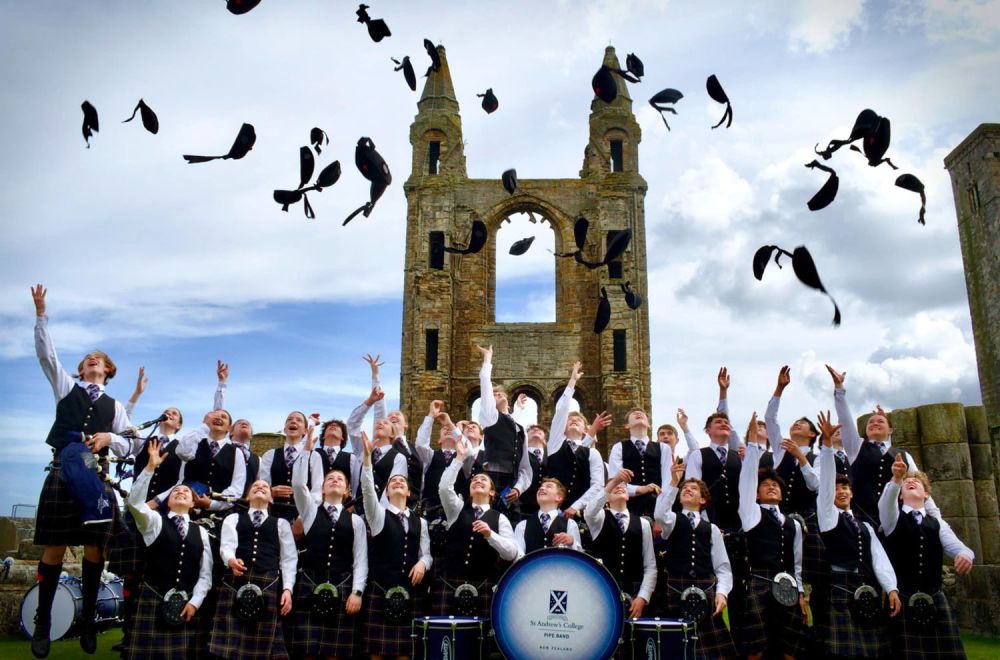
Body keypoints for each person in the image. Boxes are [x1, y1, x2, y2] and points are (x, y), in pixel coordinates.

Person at [29, 284, 134, 657]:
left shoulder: (116, 407)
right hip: (63, 473)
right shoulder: (65, 387)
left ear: (107, 370)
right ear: (79, 369)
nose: (91, 361)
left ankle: (89, 618)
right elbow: (46, 355)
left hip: (96, 480)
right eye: (86, 359)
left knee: (94, 550)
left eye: (97, 359)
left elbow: (131, 444)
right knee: (55, 547)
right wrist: (42, 314)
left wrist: (110, 438)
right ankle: (43, 621)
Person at [815, 411, 901, 659]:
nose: (841, 492)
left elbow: (878, 557)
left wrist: (891, 587)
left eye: (845, 488)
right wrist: (827, 445)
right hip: (840, 587)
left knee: (874, 651)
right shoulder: (828, 516)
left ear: (852, 493)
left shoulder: (866, 526)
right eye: (837, 489)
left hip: (868, 587)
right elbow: (827, 479)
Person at [124, 439, 213, 660]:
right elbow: (135, 505)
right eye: (176, 491)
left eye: (186, 491)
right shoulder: (153, 522)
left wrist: (195, 602)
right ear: (168, 502)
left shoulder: (202, 532)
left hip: (186, 605)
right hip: (152, 600)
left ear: (193, 504)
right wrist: (149, 468)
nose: (181, 492)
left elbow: (206, 575)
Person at [879, 454, 974, 659]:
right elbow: (885, 504)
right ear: (901, 495)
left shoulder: (937, 523)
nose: (911, 481)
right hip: (901, 600)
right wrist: (896, 479)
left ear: (926, 494)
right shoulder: (892, 519)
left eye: (917, 482)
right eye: (907, 482)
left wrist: (965, 555)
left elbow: (959, 547)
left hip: (934, 598)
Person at [290, 431, 367, 660]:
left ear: (346, 491)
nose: (334, 480)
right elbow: (298, 485)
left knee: (336, 654)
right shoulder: (311, 512)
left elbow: (360, 560)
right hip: (310, 584)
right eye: (329, 479)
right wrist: (306, 452)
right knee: (308, 652)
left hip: (342, 587)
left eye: (340, 480)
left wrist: (357, 592)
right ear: (322, 489)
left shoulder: (356, 521)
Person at [737, 413, 809, 660]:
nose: (771, 487)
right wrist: (754, 445)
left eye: (775, 485)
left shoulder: (793, 524)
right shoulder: (752, 513)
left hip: (788, 584)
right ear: (756, 494)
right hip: (759, 581)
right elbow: (746, 482)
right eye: (765, 485)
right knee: (755, 648)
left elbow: (797, 564)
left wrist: (800, 593)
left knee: (790, 647)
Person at [653, 457, 738, 659]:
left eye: (693, 488)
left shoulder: (713, 530)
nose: (687, 489)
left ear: (703, 500)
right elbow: (659, 514)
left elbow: (723, 567)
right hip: (676, 589)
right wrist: (674, 483)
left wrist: (723, 593)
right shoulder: (672, 520)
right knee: (677, 650)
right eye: (684, 488)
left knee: (709, 654)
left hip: (706, 592)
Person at [360, 431, 432, 660]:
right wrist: (367, 461)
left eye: (402, 481)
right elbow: (367, 491)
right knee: (377, 653)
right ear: (387, 492)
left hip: (410, 591)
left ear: (409, 492)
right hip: (381, 589)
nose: (397, 482)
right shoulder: (378, 515)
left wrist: (422, 563)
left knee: (404, 652)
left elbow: (427, 554)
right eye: (392, 483)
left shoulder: (420, 522)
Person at [835, 375, 943, 526]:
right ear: (865, 430)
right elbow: (845, 419)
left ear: (890, 430)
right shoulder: (856, 447)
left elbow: (920, 486)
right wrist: (839, 389)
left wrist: (938, 521)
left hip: (897, 521)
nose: (874, 423)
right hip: (862, 518)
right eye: (870, 422)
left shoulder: (904, 455)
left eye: (881, 421)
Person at [210, 479, 296, 659]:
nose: (260, 487)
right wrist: (231, 560)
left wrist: (288, 589)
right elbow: (226, 546)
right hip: (236, 582)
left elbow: (289, 559)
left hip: (267, 584)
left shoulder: (281, 524)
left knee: (263, 647)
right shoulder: (233, 518)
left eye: (265, 487)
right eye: (255, 486)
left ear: (271, 499)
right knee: (228, 646)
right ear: (247, 496)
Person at [435, 440, 518, 618]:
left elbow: (511, 553)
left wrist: (490, 535)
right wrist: (459, 458)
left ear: (492, 492)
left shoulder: (500, 518)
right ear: (470, 491)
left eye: (483, 480)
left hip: (483, 585)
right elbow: (444, 488)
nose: (478, 480)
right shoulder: (456, 510)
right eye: (474, 479)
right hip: (450, 583)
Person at [584, 469, 656, 620]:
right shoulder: (599, 518)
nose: (619, 486)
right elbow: (589, 511)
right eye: (615, 485)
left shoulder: (643, 524)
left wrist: (643, 597)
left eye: (623, 484)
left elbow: (650, 566)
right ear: (606, 498)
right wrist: (613, 481)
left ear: (629, 496)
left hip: (634, 594)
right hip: (603, 590)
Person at [475, 344, 532, 515]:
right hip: (492, 479)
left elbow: (525, 467)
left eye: (500, 393)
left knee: (510, 530)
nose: (495, 394)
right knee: (485, 524)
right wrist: (487, 359)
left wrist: (518, 488)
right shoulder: (490, 418)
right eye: (493, 394)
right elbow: (484, 385)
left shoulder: (520, 428)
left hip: (511, 486)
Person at [545, 361, 606, 520]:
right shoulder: (555, 445)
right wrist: (572, 381)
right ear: (562, 428)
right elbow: (560, 411)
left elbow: (598, 485)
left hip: (581, 514)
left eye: (578, 420)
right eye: (569, 419)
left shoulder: (592, 454)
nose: (573, 420)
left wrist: (576, 506)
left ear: (586, 429)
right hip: (551, 513)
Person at [366, 353, 424, 507]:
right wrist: (375, 376)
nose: (392, 416)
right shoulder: (382, 445)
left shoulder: (415, 448)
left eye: (397, 414)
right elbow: (379, 406)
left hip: (411, 504)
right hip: (383, 503)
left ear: (406, 424)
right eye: (389, 416)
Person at [677, 408, 741, 532]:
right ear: (708, 430)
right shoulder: (698, 455)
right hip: (708, 519)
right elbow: (693, 488)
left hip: (737, 522)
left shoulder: (738, 457)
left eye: (726, 422)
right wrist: (704, 522)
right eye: (718, 422)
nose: (724, 424)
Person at [347, 386, 408, 509]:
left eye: (385, 423)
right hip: (358, 512)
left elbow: (393, 487)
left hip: (383, 513)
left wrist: (380, 516)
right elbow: (352, 425)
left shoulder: (399, 458)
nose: (380, 423)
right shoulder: (362, 449)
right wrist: (369, 401)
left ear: (392, 434)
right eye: (377, 423)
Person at [258, 411, 324, 520]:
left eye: (299, 420)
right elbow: (263, 484)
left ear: (305, 431)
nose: (293, 421)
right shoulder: (269, 455)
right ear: (284, 429)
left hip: (303, 517)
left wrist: (305, 518)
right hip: (273, 516)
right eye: (289, 419)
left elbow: (317, 491)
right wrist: (270, 492)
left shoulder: (314, 456)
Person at [607, 407, 668, 517]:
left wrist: (661, 516)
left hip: (658, 508)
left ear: (649, 424)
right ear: (627, 425)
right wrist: (640, 489)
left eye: (642, 413)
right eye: (633, 413)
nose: (638, 413)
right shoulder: (618, 448)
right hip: (629, 510)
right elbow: (615, 483)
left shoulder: (663, 448)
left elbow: (668, 483)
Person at [513, 478, 582, 555]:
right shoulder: (522, 526)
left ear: (559, 497)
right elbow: (519, 558)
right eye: (540, 487)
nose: (542, 488)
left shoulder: (570, 524)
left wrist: (572, 542)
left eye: (548, 486)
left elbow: (579, 560)